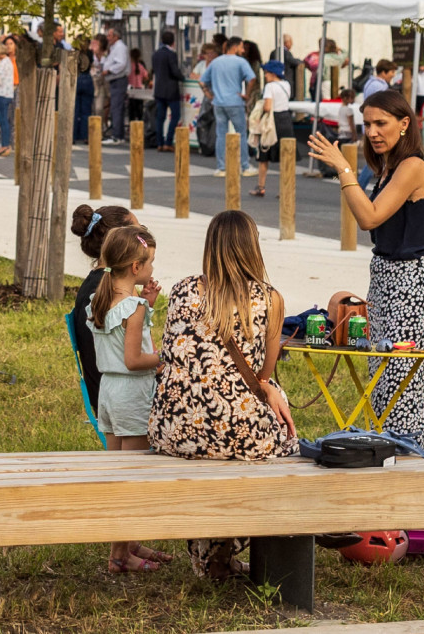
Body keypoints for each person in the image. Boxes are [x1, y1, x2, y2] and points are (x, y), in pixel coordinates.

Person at [149, 210, 299, 579]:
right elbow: (263, 374)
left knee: (216, 449)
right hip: (239, 434)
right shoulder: (269, 298)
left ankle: (212, 558)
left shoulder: (183, 289)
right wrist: (271, 389)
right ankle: (227, 556)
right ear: (252, 247)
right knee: (287, 443)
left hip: (174, 431)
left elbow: (173, 354)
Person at [306, 90, 424, 455]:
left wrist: (344, 168)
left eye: (381, 123)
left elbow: (369, 217)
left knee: (401, 385)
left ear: (404, 124)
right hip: (384, 278)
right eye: (367, 124)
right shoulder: (388, 168)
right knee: (380, 385)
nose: (373, 131)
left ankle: (419, 464)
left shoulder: (413, 166)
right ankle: (392, 461)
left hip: (411, 282)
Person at [84, 225, 169, 574]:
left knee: (116, 474)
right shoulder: (131, 306)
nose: (151, 270)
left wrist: (147, 305)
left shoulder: (99, 299)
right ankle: (119, 556)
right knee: (130, 480)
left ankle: (129, 543)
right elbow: (135, 360)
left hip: (109, 392)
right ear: (135, 267)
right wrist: (169, 355)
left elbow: (119, 346)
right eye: (148, 263)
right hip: (132, 395)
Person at [68, 204, 140, 411]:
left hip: (103, 394)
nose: (144, 239)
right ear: (121, 242)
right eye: (139, 231)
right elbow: (133, 357)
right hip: (122, 399)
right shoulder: (115, 290)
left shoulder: (96, 283)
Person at [199, 36, 257, 176]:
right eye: (241, 47)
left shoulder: (216, 62)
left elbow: (202, 81)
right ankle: (245, 166)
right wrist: (247, 95)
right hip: (235, 102)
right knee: (241, 134)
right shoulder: (240, 62)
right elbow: (252, 78)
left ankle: (221, 167)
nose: (243, 50)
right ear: (235, 47)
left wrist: (209, 95)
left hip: (219, 102)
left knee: (221, 134)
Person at [250, 60, 292, 198]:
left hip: (272, 121)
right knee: (285, 156)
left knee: (264, 155)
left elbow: (267, 107)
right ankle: (285, 189)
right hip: (285, 120)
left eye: (266, 72)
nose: (265, 75)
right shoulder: (286, 85)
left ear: (273, 73)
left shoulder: (270, 87)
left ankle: (261, 187)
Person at [151, 29, 184, 152]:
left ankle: (159, 142)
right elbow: (175, 71)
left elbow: (154, 70)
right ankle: (168, 141)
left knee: (160, 117)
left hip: (159, 88)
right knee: (175, 115)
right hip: (171, 90)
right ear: (173, 42)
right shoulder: (171, 55)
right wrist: (183, 78)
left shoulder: (156, 54)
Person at [102, 27, 131, 143]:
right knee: (116, 107)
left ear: (116, 36)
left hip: (118, 79)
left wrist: (109, 70)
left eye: (109, 36)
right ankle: (119, 134)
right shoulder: (115, 47)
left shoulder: (120, 47)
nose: (108, 38)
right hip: (115, 80)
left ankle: (117, 135)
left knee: (116, 108)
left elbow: (121, 63)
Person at [0, 39, 16, 157]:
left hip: (1, 94)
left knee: (3, 121)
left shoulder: (3, 63)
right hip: (7, 94)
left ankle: (5, 145)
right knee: (5, 120)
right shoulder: (8, 62)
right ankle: (5, 144)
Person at [74, 48, 95, 143]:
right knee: (86, 112)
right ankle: (85, 137)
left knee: (75, 111)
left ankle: (73, 136)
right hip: (87, 79)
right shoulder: (89, 52)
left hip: (77, 78)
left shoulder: (74, 52)